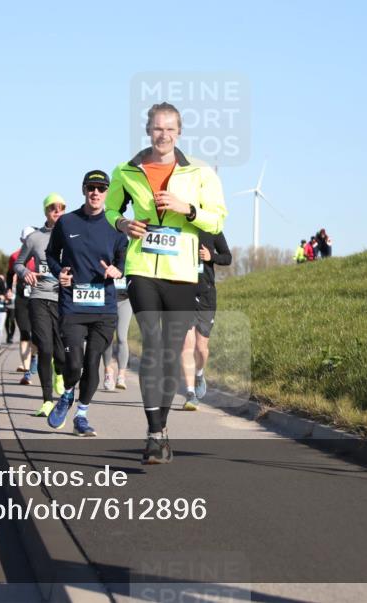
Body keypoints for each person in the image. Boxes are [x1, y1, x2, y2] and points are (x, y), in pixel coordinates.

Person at [106, 101, 227, 464]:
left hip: (181, 272)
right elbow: (113, 209)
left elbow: (217, 221)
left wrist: (185, 208)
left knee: (172, 351)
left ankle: (160, 428)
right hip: (142, 266)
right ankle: (154, 433)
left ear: (179, 132)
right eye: (157, 128)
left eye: (170, 128)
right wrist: (122, 224)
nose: (163, 134)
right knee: (153, 342)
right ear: (148, 131)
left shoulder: (199, 173)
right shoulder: (127, 170)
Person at [46, 170, 127, 436]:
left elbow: (123, 261)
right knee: (73, 365)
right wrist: (59, 270)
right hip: (72, 305)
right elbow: (51, 253)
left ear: (107, 193)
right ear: (83, 190)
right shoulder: (67, 222)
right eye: (91, 187)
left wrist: (118, 271)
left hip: (104, 308)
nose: (96, 192)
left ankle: (81, 415)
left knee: (92, 361)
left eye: (101, 188)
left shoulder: (116, 227)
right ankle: (67, 393)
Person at [16, 195, 68, 416]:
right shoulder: (34, 238)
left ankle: (59, 373)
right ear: (45, 211)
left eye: (61, 208)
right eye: (52, 208)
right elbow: (19, 264)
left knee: (61, 352)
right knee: (44, 348)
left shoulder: (71, 236)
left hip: (63, 299)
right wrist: (26, 272)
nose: (57, 211)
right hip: (38, 296)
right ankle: (47, 400)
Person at [181, 230, 232, 410]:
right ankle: (189, 393)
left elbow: (227, 257)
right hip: (183, 292)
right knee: (187, 345)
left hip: (206, 294)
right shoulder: (180, 223)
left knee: (201, 348)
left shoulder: (212, 229)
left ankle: (199, 374)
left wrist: (212, 256)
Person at [9, 227, 39, 382]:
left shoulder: (42, 253)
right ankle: (26, 370)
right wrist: (8, 289)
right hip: (21, 299)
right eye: (25, 238)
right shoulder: (15, 256)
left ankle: (33, 358)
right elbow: (9, 274)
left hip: (38, 298)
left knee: (38, 335)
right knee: (25, 332)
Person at [101, 269, 132, 392]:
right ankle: (108, 371)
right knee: (108, 336)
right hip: (107, 299)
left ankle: (121, 375)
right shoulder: (107, 253)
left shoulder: (129, 256)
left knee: (122, 337)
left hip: (125, 300)